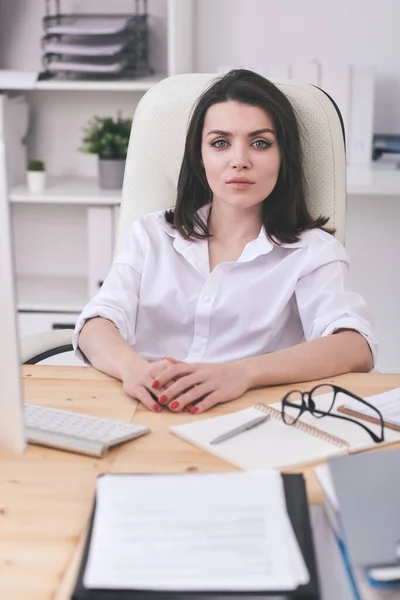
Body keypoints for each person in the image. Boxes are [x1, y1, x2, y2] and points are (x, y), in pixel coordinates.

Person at [73, 69, 376, 415]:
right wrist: (134, 371)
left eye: (260, 143)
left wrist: (241, 373)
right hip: (145, 409)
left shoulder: (312, 251)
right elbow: (96, 324)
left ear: (283, 158)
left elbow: (355, 346)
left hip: (249, 417)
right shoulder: (150, 234)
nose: (240, 160)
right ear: (200, 157)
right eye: (220, 143)